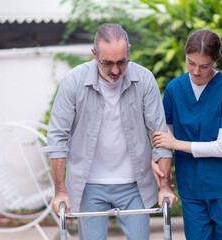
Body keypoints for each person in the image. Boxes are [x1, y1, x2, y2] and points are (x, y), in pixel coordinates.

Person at [43, 23, 177, 240]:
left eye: (121, 62)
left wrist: (164, 187)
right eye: (107, 63)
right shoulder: (73, 81)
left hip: (135, 183)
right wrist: (60, 191)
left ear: (129, 51)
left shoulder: (144, 79)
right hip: (88, 184)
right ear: (94, 54)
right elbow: (57, 138)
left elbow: (159, 136)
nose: (115, 70)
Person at [152, 29, 222, 240]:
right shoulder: (174, 89)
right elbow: (164, 136)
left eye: (204, 66)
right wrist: (158, 164)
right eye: (191, 62)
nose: (196, 71)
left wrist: (176, 143)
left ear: (215, 60)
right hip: (192, 187)